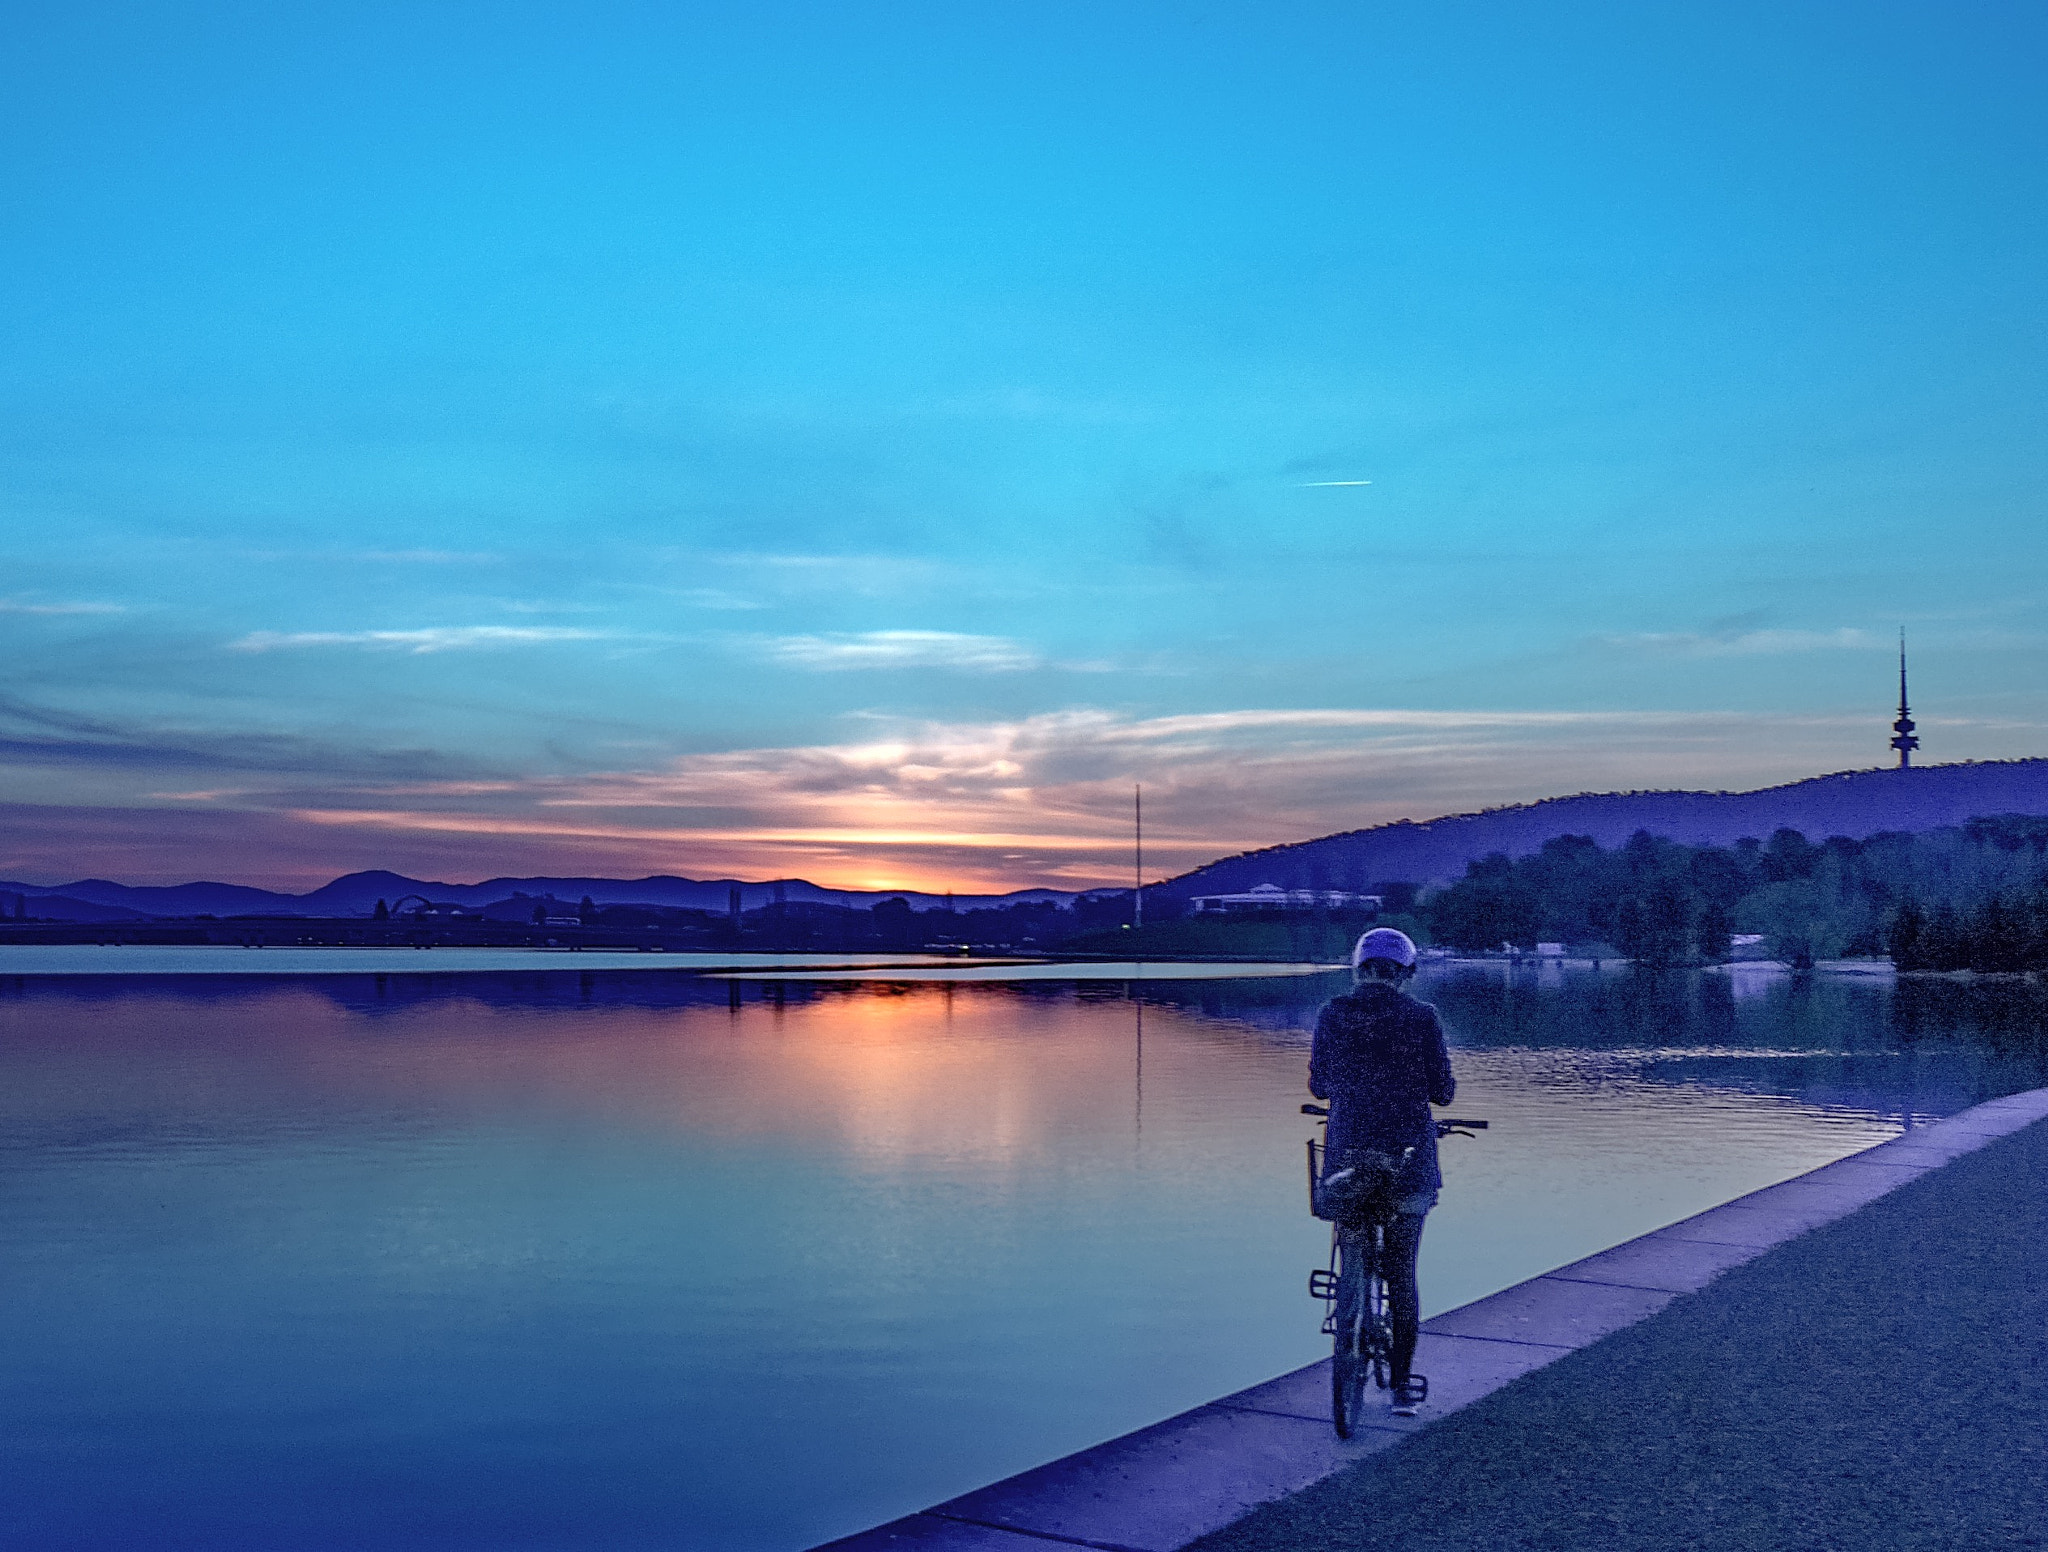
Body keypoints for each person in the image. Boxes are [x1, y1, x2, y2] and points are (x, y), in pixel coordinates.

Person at [1309, 926, 1454, 1416]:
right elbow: (1443, 1093)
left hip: (1345, 1159)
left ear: (1359, 968)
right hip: (1407, 1163)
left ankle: (1349, 1311)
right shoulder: (1422, 1017)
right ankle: (1399, 1385)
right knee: (1400, 1274)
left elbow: (1319, 1085)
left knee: (1352, 1234)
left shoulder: (1333, 1013)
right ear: (1405, 973)